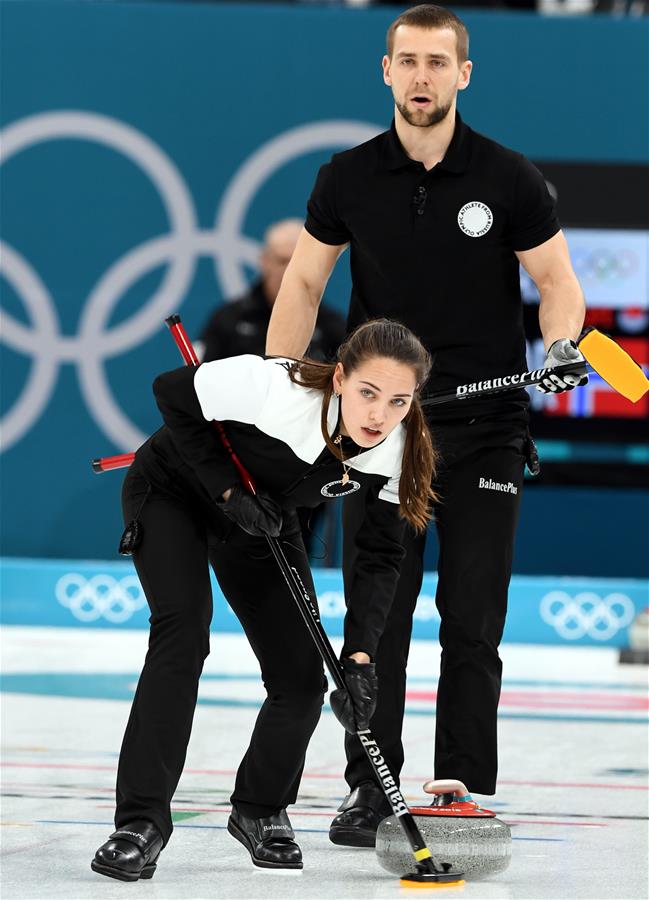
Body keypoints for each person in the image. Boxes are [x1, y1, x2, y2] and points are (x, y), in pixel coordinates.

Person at [265, 3, 587, 847]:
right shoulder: (345, 177)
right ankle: (372, 786)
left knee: (471, 615)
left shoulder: (509, 177)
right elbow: (301, 287)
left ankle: (457, 784)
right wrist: (276, 386)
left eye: (437, 63)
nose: (420, 77)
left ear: (462, 74)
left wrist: (559, 342)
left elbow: (556, 280)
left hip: (484, 429)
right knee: (379, 620)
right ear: (385, 70)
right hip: (383, 432)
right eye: (406, 61)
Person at [91, 318, 437, 881]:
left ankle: (259, 808)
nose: (379, 415)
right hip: (173, 492)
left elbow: (379, 557)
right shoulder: (279, 389)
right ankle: (140, 822)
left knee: (301, 677)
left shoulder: (397, 450)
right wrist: (227, 490)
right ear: (341, 378)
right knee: (183, 633)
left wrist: (361, 657)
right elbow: (172, 390)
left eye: (398, 401)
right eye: (368, 393)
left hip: (262, 523)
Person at [199, 218, 345, 364]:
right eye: (282, 261)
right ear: (264, 261)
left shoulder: (332, 326)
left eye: (296, 261)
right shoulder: (227, 320)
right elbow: (201, 378)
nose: (289, 270)